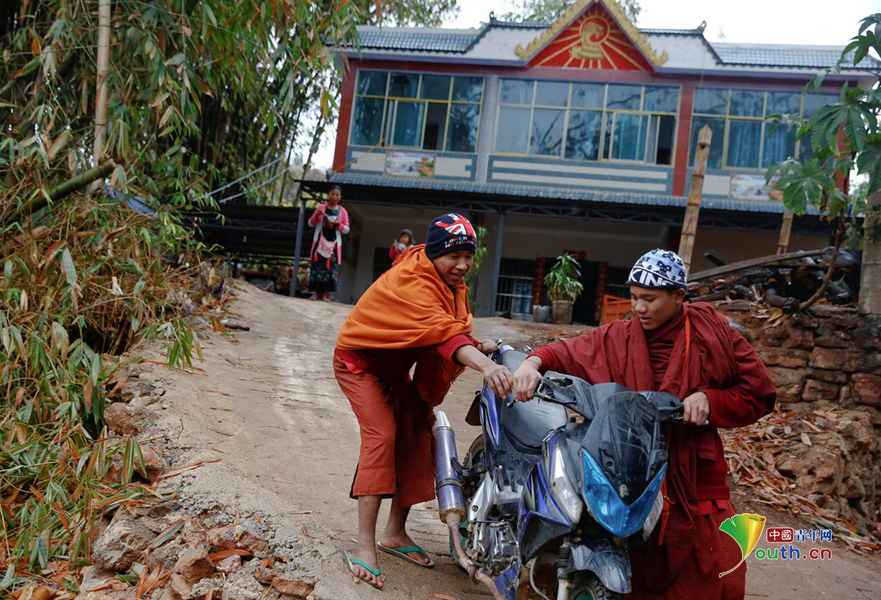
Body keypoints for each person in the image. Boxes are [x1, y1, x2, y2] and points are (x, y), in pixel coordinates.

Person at [513, 249, 776, 600]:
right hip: (631, 463)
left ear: (679, 296)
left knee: (714, 567)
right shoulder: (619, 335)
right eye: (634, 298)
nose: (638, 308)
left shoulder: (714, 335)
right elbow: (569, 351)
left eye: (649, 299)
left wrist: (712, 400)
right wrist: (532, 363)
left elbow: (759, 392)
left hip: (694, 469)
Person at [334, 213, 514, 590]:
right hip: (360, 364)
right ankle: (365, 546)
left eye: (469, 256)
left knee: (418, 434)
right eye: (454, 257)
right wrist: (483, 364)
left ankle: (394, 533)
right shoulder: (411, 279)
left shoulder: (449, 282)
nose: (463, 265)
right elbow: (443, 334)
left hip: (399, 371)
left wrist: (477, 345)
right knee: (383, 436)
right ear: (433, 255)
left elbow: (447, 328)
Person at [307, 185, 349, 301]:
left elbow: (347, 229)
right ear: (329, 195)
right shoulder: (321, 208)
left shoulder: (343, 212)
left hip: (334, 245)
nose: (334, 196)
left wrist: (338, 225)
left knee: (330, 268)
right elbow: (310, 223)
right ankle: (315, 294)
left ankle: (325, 295)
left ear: (340, 197)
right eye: (332, 194)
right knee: (317, 267)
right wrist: (317, 216)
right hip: (320, 242)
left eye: (337, 195)